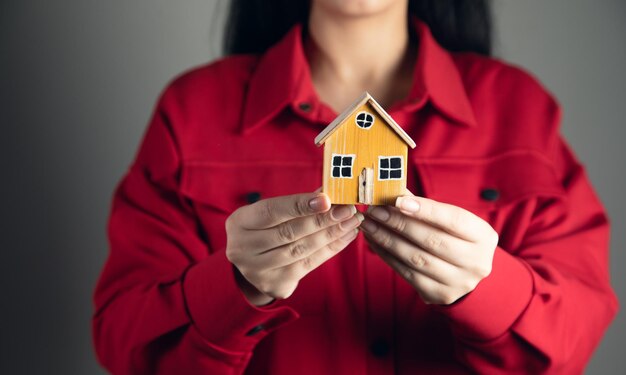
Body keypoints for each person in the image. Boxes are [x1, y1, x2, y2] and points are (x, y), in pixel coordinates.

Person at [93, 1, 618, 373]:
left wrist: (489, 292)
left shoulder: (518, 107)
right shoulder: (192, 111)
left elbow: (575, 327)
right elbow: (126, 340)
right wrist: (235, 289)